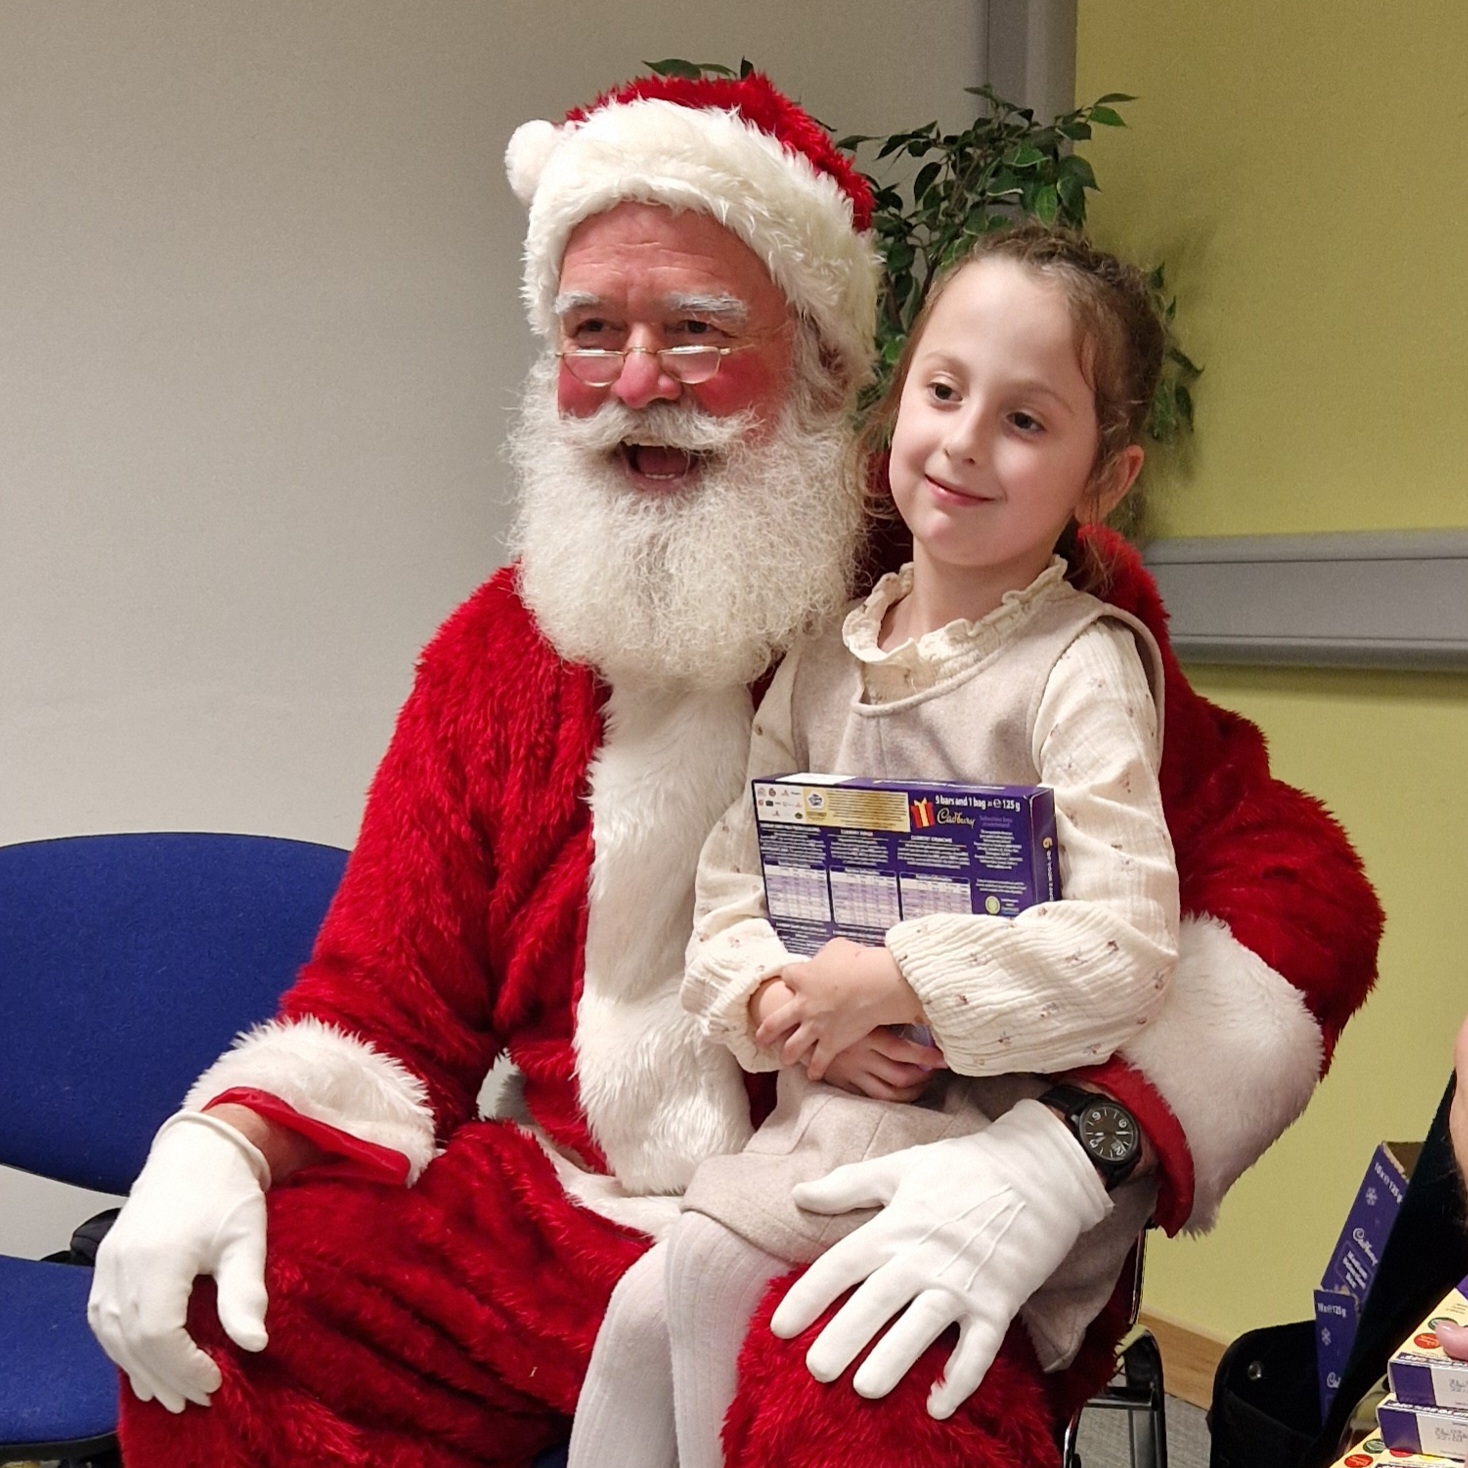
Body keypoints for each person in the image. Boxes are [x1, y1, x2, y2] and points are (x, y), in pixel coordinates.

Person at [85, 72, 1383, 1468]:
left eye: (697, 330)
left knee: (870, 1413)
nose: (639, 383)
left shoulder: (997, 593)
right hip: (562, 1215)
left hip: (878, 1207)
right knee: (235, 1317)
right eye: (594, 330)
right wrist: (225, 1142)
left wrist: (1072, 1155)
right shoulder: (495, 656)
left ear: (824, 360)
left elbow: (1296, 888)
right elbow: (387, 1000)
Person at [568, 223, 1181, 1468]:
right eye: (942, 392)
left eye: (1024, 419)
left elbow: (1126, 949)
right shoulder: (822, 658)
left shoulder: (1077, 669)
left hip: (983, 1152)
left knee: (706, 1259)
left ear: (1103, 479)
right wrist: (782, 1006)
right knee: (633, 1319)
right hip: (826, 1113)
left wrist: (895, 982)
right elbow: (732, 888)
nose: (963, 441)